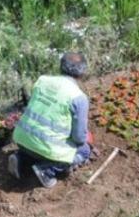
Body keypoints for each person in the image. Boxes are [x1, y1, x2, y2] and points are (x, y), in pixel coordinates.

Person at [9, 52, 92, 189]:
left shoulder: (42, 80)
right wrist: (84, 139)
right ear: (82, 73)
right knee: (84, 151)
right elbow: (78, 137)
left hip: (21, 139)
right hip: (47, 149)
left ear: (60, 66)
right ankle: (47, 170)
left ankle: (20, 158)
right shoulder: (78, 97)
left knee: (36, 146)